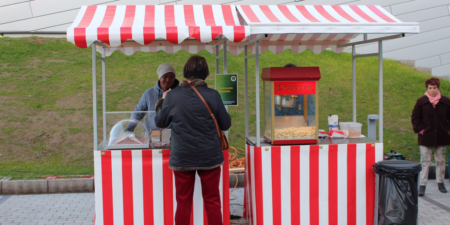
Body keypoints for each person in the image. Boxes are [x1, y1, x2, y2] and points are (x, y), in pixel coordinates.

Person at [154, 55, 231, 225]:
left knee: (183, 202)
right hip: (210, 156)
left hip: (182, 156)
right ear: (206, 73)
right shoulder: (213, 95)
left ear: (186, 72)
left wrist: (162, 102)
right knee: (212, 201)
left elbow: (160, 122)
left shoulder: (173, 96)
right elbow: (225, 124)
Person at [411, 77, 450, 196]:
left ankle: (440, 182)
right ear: (427, 88)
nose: (432, 90)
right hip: (426, 136)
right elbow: (415, 117)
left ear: (438, 88)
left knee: (440, 160)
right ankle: (422, 185)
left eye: (434, 88)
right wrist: (421, 130)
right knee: (424, 161)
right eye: (430, 88)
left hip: (441, 136)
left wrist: (448, 130)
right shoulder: (421, 101)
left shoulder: (445, 101)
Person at [125, 63, 179, 134]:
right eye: (165, 76)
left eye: (171, 77)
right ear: (160, 77)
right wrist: (130, 127)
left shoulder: (180, 94)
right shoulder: (149, 93)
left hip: (173, 136)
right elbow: (138, 111)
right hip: (152, 135)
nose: (168, 79)